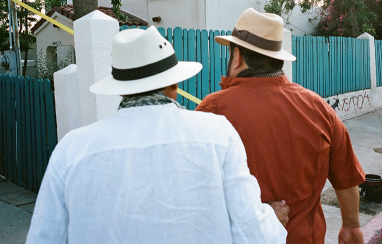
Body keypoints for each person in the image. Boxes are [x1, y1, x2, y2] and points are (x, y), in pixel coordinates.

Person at [26, 26, 287, 243]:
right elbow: (252, 233)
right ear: (174, 83)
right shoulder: (217, 134)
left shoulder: (72, 149)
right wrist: (273, 221)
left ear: (121, 89)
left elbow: (45, 236)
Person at [196, 8, 365, 244]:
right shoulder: (319, 108)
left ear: (237, 56)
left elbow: (196, 192)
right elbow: (346, 178)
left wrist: (259, 214)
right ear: (278, 58)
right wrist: (351, 226)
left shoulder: (211, 111)